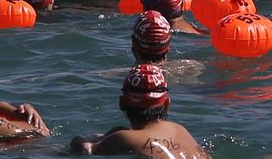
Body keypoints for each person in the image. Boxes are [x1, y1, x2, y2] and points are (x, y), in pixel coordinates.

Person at [69, 64, 207, 157]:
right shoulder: (180, 130)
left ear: (122, 103)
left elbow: (84, 150)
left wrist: (79, 140)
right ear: (167, 104)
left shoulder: (124, 138)